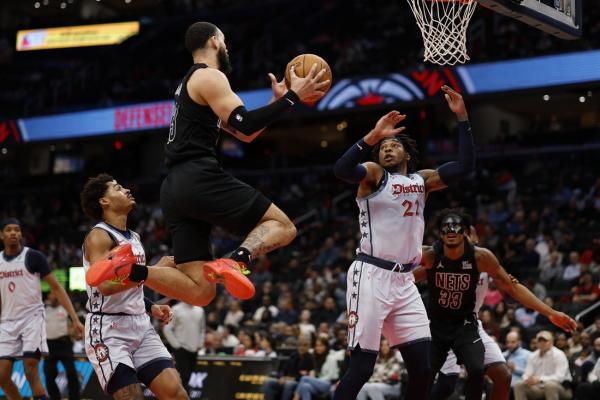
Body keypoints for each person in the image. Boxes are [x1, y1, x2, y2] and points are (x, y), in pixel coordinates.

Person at [155, 21, 327, 304]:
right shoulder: (210, 76)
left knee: (200, 291)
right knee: (284, 227)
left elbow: (244, 135)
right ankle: (237, 260)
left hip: (173, 187)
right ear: (213, 41)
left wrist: (277, 101)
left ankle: (134, 271)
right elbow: (245, 124)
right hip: (198, 176)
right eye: (224, 41)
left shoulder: (189, 83)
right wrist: (295, 97)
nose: (226, 47)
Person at [332, 84, 476, 400]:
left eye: (394, 144)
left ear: (407, 154)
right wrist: (372, 135)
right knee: (362, 366)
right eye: (383, 146)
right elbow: (341, 170)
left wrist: (462, 118)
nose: (387, 148)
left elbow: (465, 167)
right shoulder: (373, 176)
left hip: (405, 281)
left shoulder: (422, 180)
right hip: (370, 274)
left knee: (424, 367)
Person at [415, 210, 576, 400]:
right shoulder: (436, 257)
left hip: (468, 325)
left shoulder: (483, 262)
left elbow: (513, 291)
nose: (456, 233)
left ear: (472, 236)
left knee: (502, 375)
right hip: (439, 325)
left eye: (464, 231)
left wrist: (550, 313)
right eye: (447, 229)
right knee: (443, 385)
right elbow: (405, 279)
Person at [79, 176, 188, 399]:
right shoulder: (99, 236)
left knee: (176, 394)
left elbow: (130, 286)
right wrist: (153, 270)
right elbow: (106, 286)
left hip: (140, 324)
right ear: (104, 201)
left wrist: (150, 307)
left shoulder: (135, 237)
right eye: (118, 188)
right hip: (108, 329)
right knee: (132, 396)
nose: (127, 189)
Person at [0, 218, 84, 400]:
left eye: (17, 229)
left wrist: (75, 319)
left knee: (30, 369)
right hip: (6, 322)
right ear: (1, 235)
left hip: (32, 319)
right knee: (2, 376)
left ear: (21, 234)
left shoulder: (33, 257)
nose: (13, 233)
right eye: (8, 230)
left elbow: (57, 287)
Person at [514, 330, 572, 400]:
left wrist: (540, 379)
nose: (542, 343)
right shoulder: (532, 355)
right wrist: (528, 379)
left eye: (545, 341)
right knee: (519, 384)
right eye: (540, 341)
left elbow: (560, 377)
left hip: (562, 388)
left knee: (550, 385)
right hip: (538, 388)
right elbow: (527, 373)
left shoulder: (559, 355)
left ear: (551, 342)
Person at [44, 291, 81, 400]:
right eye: (52, 294)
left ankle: (74, 397)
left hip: (64, 343)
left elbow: (74, 325)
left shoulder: (66, 308)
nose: (54, 295)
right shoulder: (43, 309)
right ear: (49, 296)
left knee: (71, 372)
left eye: (56, 294)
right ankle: (55, 397)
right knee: (49, 374)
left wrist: (74, 332)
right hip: (49, 345)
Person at [162, 301, 205, 394]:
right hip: (181, 348)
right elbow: (167, 328)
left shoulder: (200, 310)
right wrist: (177, 346)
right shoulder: (176, 309)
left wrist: (200, 344)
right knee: (184, 376)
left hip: (194, 349)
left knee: (188, 377)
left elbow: (202, 329)